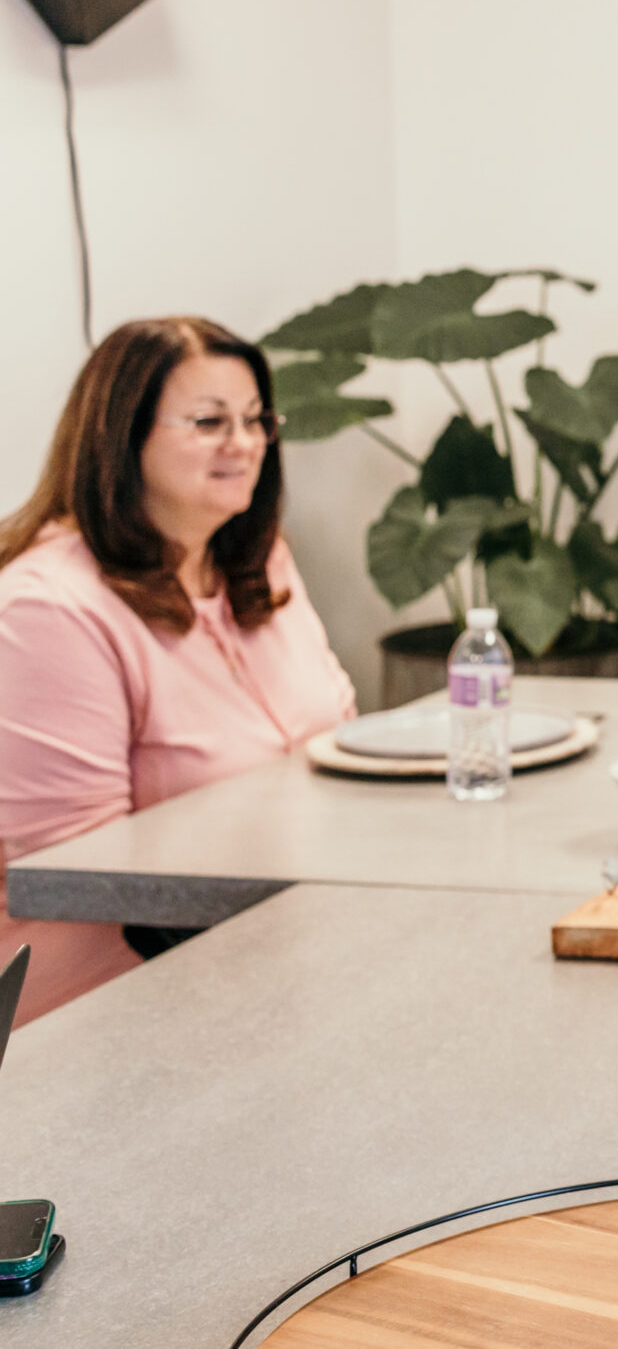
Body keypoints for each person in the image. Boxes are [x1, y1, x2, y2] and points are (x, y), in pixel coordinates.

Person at [0, 318, 356, 1024]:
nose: (246, 442)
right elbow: (81, 884)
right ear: (121, 436)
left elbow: (337, 739)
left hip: (271, 945)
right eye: (210, 421)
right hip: (109, 1004)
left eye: (257, 419)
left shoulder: (258, 561)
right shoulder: (47, 609)